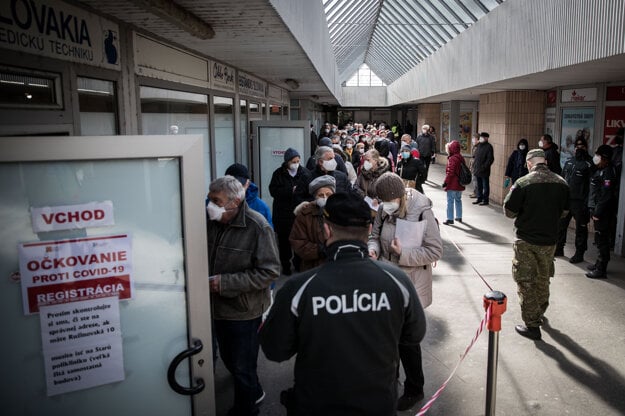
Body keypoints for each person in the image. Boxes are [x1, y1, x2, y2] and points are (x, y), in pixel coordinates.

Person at [260, 192, 426, 416]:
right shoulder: (397, 281)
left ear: (326, 230)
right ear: (369, 230)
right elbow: (414, 335)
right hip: (379, 404)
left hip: (316, 405)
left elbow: (275, 350)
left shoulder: (299, 288)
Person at [368, 172, 443, 410]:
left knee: (407, 342)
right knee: (387, 339)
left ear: (399, 196)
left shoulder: (421, 211)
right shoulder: (383, 210)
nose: (384, 206)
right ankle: (390, 384)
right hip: (385, 281)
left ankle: (414, 389)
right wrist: (373, 249)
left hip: (410, 285)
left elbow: (434, 251)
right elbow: (374, 235)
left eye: (388, 201)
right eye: (381, 201)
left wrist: (403, 254)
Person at [206, 176, 281, 415]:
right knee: (231, 361)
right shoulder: (210, 223)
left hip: (244, 312)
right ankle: (253, 390)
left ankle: (246, 408)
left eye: (216, 201)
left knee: (242, 366)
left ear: (235, 202)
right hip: (215, 308)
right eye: (210, 199)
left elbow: (269, 271)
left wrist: (223, 283)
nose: (211, 206)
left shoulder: (258, 226)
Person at [503, 149, 569, 340]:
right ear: (545, 162)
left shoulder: (523, 182)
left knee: (525, 281)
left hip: (527, 240)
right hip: (550, 240)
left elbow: (509, 211)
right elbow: (565, 211)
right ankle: (539, 311)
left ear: (529, 163)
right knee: (543, 278)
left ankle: (532, 325)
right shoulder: (561, 182)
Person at [269, 148, 311, 275]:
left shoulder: (305, 173)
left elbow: (310, 192)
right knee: (284, 242)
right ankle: (285, 265)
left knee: (299, 239)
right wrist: (289, 191)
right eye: (293, 161)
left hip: (299, 213)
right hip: (283, 213)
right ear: (287, 162)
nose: (296, 164)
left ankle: (298, 263)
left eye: (298, 161)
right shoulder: (278, 174)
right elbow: (273, 191)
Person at [555, 137, 594, 262]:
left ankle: (579, 253)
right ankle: (559, 248)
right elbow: (562, 179)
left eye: (581, 146)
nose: (578, 148)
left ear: (586, 147)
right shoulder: (569, 162)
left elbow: (592, 186)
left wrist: (588, 204)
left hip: (580, 202)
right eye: (577, 146)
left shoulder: (590, 164)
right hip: (567, 200)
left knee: (581, 229)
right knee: (561, 225)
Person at [289, 175, 335, 272]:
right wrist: (320, 250)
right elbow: (298, 242)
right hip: (312, 268)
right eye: (321, 195)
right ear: (315, 197)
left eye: (328, 194)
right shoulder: (305, 214)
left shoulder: (341, 211)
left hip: (336, 266)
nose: (325, 197)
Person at [586, 145, 618, 279]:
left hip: (604, 213)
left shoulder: (608, 172)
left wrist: (597, 213)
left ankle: (601, 269)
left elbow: (606, 196)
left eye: (598, 155)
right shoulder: (601, 170)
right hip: (598, 210)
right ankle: (599, 263)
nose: (596, 158)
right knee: (599, 239)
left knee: (602, 240)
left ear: (605, 158)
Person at [225, 163, 273, 228]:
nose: (236, 188)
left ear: (248, 183)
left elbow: (268, 235)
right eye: (231, 184)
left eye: (240, 184)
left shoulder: (261, 207)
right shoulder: (213, 204)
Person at [443, 140, 465, 224]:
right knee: (458, 200)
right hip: (459, 183)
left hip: (452, 183)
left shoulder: (452, 159)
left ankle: (450, 218)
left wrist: (445, 182)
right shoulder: (461, 157)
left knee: (450, 201)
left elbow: (450, 172)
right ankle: (459, 217)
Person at [472, 132, 494, 206]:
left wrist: (484, 167)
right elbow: (476, 157)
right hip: (477, 170)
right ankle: (479, 198)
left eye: (482, 137)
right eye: (480, 137)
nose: (480, 138)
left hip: (484, 171)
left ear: (486, 138)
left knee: (485, 186)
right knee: (479, 185)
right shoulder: (479, 146)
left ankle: (485, 200)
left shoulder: (489, 147)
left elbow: (490, 159)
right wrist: (475, 166)